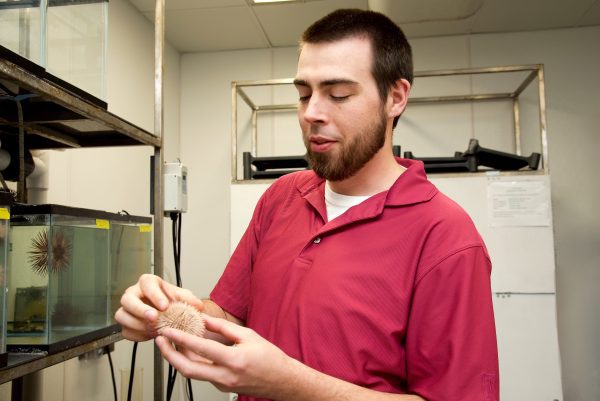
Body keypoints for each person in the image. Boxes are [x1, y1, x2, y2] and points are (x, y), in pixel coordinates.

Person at [116, 8, 499, 401]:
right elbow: (229, 317)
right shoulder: (282, 198)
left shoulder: (446, 237)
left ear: (395, 98)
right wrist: (171, 313)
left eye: (338, 95)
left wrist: (292, 385)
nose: (311, 113)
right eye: (303, 94)